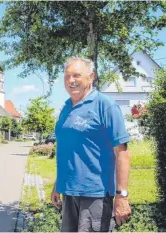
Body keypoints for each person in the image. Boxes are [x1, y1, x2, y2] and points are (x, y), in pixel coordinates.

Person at [51, 57, 131, 232]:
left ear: (91, 76)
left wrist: (122, 196)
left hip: (95, 195)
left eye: (77, 75)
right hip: (69, 193)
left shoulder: (105, 106)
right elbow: (69, 150)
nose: (71, 81)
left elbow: (122, 153)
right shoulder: (66, 108)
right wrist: (58, 184)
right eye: (67, 76)